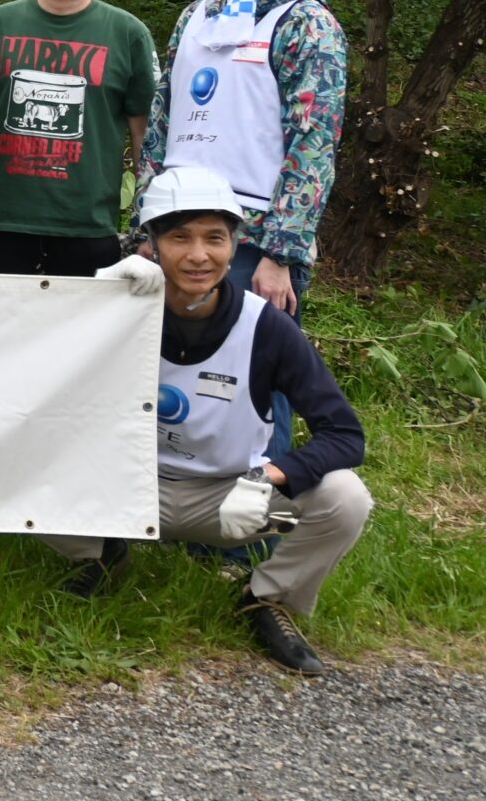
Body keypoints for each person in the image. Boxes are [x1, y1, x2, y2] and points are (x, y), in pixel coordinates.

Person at [52, 168, 370, 675]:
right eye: (180, 237)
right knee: (30, 458)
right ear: (151, 244)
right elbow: (39, 385)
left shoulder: (266, 326)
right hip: (129, 488)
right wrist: (93, 300)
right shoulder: (123, 308)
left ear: (235, 244)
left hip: (229, 498)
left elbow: (345, 435)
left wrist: (269, 476)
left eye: (214, 238)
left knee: (346, 498)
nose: (199, 255)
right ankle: (99, 557)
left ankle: (267, 598)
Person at [141, 0, 348, 318]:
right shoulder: (196, 14)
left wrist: (282, 254)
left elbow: (314, 144)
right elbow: (161, 121)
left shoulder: (306, 21)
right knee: (167, 375)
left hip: (252, 243)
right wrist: (145, 226)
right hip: (175, 228)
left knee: (251, 380)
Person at [0, 0, 157, 277]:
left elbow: (146, 136)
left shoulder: (127, 33)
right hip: (2, 222)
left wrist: (149, 221)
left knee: (83, 336)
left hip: (87, 226)